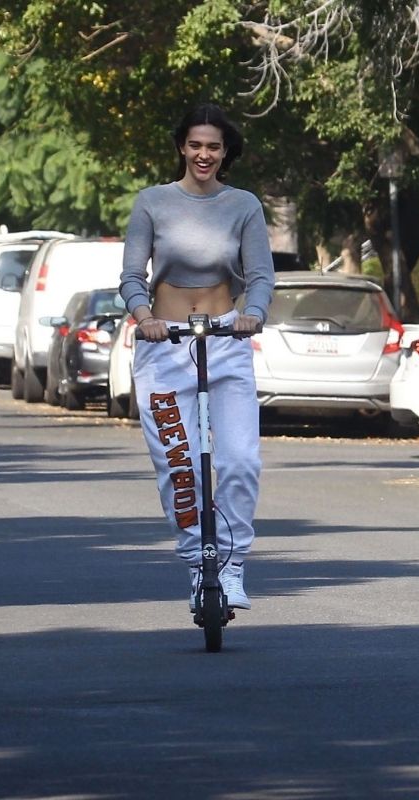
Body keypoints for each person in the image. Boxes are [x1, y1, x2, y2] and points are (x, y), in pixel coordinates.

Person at [119, 102, 274, 611]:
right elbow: (132, 276)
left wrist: (252, 312)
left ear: (225, 152)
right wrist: (144, 318)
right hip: (164, 346)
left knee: (239, 461)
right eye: (195, 145)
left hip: (226, 342)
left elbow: (260, 276)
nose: (203, 154)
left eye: (214, 146)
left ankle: (231, 568)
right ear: (181, 147)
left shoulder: (244, 205)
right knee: (180, 465)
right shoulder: (152, 202)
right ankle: (196, 565)